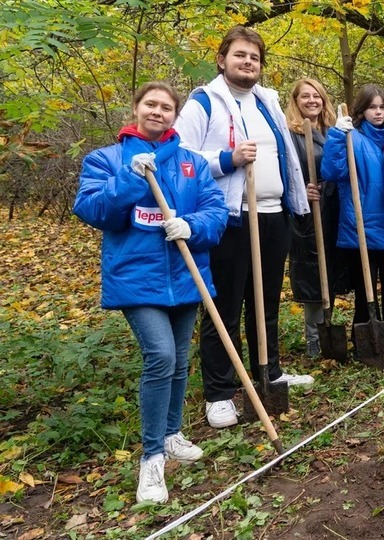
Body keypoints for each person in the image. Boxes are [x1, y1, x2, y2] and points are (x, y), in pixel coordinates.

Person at [74, 82, 228, 503]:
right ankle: (152, 458)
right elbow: (92, 210)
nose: (158, 112)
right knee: (160, 356)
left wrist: (192, 226)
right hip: (136, 278)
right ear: (136, 108)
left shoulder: (192, 163)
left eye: (166, 107)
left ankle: (173, 432)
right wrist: (129, 178)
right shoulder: (105, 159)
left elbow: (215, 212)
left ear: (175, 115)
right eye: (151, 105)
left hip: (185, 275)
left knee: (179, 359)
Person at [174, 25, 314, 430]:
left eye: (254, 57)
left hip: (273, 215)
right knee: (225, 305)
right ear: (222, 60)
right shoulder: (204, 102)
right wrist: (225, 158)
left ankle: (268, 371)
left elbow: (283, 155)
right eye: (240, 55)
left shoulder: (267, 101)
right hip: (230, 218)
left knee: (265, 300)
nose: (247, 62)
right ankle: (219, 392)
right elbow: (179, 154)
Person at [321, 84, 384, 356]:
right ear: (362, 110)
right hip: (360, 227)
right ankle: (363, 339)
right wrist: (336, 135)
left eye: (382, 107)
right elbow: (332, 171)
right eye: (372, 107)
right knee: (364, 289)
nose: (378, 112)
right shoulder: (352, 139)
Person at [284, 77, 343, 357]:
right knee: (312, 273)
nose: (312, 101)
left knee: (331, 269)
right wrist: (298, 189)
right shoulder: (289, 135)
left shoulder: (332, 131)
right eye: (305, 96)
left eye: (317, 95)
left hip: (334, 209)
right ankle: (314, 338)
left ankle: (329, 327)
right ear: (295, 102)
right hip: (308, 213)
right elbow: (284, 173)